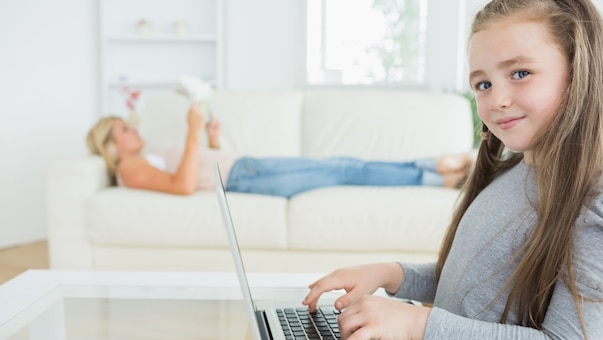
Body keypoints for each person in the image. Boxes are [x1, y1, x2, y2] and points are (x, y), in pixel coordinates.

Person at [302, 1, 603, 340]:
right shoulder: (509, 173)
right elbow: (479, 286)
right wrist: (392, 275)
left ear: (581, 73)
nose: (497, 99)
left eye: (520, 73)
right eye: (482, 84)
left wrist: (417, 324)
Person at [85, 105, 472, 197]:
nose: (133, 130)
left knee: (342, 163)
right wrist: (190, 132)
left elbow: (200, 166)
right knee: (342, 171)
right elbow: (183, 185)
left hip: (246, 165)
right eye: (123, 129)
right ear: (110, 144)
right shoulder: (129, 170)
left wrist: (212, 141)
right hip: (246, 178)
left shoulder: (144, 156)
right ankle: (438, 177)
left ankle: (435, 166)